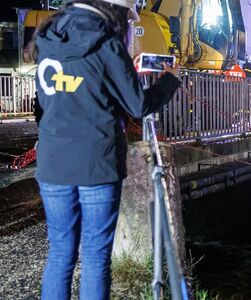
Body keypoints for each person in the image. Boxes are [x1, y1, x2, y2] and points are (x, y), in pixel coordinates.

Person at [31, 0, 181, 299]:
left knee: (60, 253)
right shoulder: (109, 46)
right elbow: (139, 105)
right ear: (118, 13)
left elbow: (43, 105)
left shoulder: (48, 39)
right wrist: (170, 80)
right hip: (97, 163)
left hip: (53, 161)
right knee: (95, 257)